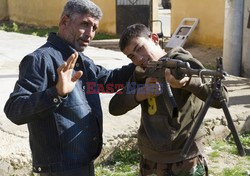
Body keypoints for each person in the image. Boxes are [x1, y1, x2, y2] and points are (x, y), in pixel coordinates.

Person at [4, 0, 135, 175]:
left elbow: (110, 82)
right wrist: (56, 93)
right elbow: (14, 109)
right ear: (64, 21)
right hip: (59, 170)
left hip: (84, 165)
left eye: (94, 28)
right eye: (85, 24)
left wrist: (144, 61)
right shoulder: (40, 60)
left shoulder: (84, 62)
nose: (90, 33)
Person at [109, 23, 228, 176]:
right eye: (132, 56)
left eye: (139, 48)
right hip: (150, 161)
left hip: (185, 160)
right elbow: (114, 107)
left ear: (154, 39)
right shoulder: (140, 72)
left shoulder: (183, 62)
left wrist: (188, 83)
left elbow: (221, 99)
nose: (138, 58)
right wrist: (141, 93)